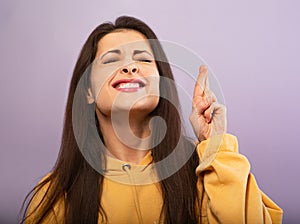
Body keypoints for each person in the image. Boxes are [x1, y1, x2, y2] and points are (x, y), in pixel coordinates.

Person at [20, 16, 283, 224]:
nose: (130, 67)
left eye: (143, 59)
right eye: (111, 60)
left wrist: (215, 145)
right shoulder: (56, 194)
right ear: (87, 91)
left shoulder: (207, 170)